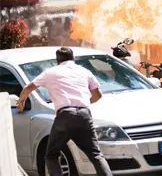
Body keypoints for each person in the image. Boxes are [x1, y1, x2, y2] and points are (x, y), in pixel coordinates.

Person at [16, 47, 111, 176]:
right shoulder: (84, 71)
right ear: (73, 58)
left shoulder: (50, 72)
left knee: (51, 155)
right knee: (96, 155)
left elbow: (28, 88)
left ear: (57, 60)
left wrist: (21, 101)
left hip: (65, 116)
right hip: (84, 115)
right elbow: (97, 95)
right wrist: (84, 103)